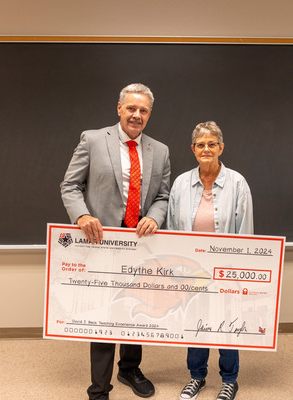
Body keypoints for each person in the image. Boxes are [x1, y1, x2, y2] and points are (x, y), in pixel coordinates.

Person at [60, 83, 171, 400]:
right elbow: (70, 186)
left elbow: (162, 196)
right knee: (104, 314)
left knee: (136, 308)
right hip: (101, 244)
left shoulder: (159, 150)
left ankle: (129, 368)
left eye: (144, 110)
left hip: (141, 243)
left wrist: (155, 216)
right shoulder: (93, 140)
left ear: (149, 114)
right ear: (119, 108)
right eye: (132, 108)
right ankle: (99, 388)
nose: (137, 115)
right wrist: (81, 217)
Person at [167, 121, 253, 400]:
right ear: (193, 149)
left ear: (221, 148)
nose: (206, 149)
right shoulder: (181, 183)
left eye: (212, 144)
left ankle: (229, 379)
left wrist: (240, 273)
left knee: (226, 322)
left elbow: (246, 232)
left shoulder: (237, 183)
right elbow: (171, 228)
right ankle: (197, 377)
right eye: (201, 144)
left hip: (225, 270)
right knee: (196, 323)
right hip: (191, 269)